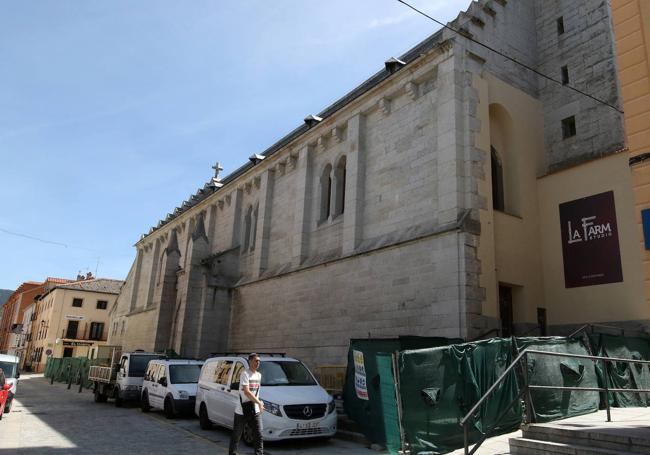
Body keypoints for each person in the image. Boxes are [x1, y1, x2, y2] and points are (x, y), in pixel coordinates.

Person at [229, 353, 265, 455]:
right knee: (236, 435)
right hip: (242, 410)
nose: (258, 363)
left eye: (259, 361)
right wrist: (259, 403)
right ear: (250, 361)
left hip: (255, 410)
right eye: (255, 361)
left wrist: (259, 403)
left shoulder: (259, 375)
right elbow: (247, 392)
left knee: (259, 435)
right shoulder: (245, 374)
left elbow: (256, 393)